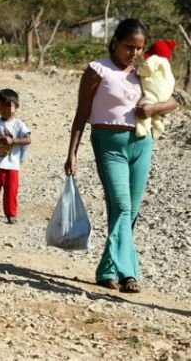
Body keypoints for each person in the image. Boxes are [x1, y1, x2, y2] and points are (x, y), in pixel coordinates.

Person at [64, 18, 179, 293]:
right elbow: (81, 116)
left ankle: (111, 269)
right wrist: (72, 154)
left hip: (142, 143)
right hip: (109, 144)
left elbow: (174, 102)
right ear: (115, 42)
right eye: (129, 47)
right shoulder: (97, 71)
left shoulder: (144, 72)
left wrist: (153, 110)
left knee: (131, 211)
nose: (134, 54)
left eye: (139, 48)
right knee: (122, 207)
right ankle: (128, 272)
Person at [0, 89, 31, 224]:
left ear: (17, 107)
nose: (5, 109)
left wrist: (12, 141)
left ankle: (10, 214)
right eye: (1, 105)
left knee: (11, 190)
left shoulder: (18, 125)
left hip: (12, 165)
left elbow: (28, 139)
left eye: (9, 106)